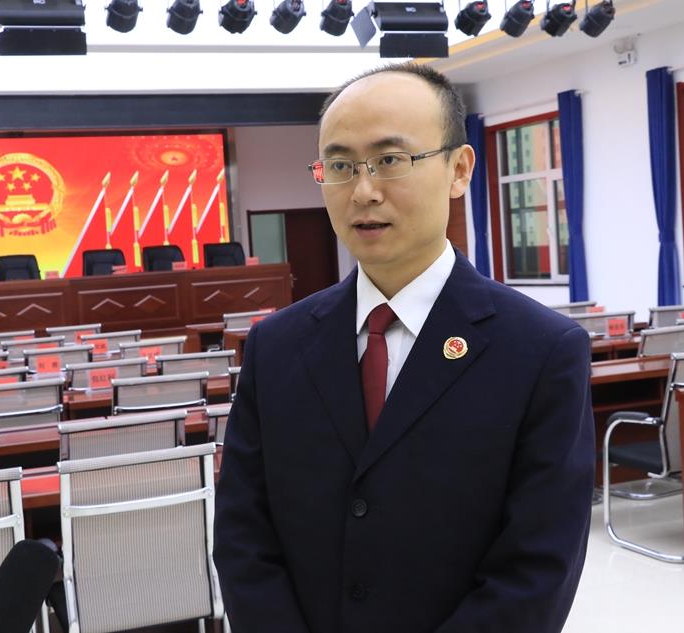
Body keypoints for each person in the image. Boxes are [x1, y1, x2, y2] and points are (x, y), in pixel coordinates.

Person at [213, 62, 594, 633]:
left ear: (459, 170)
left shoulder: (541, 350)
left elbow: (537, 569)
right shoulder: (276, 346)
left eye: (390, 160)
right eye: (340, 166)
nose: (363, 191)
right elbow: (243, 534)